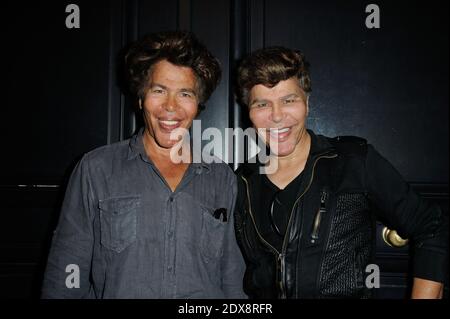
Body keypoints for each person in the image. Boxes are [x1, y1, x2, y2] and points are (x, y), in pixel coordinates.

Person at [42, 31, 246, 298]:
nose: (170, 107)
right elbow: (65, 274)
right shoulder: (96, 169)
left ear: (198, 105)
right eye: (159, 90)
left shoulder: (222, 178)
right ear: (140, 98)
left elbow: (232, 281)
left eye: (185, 94)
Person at [233, 46, 448, 299]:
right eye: (262, 104)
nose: (277, 116)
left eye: (288, 100)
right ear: (250, 112)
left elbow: (432, 226)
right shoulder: (242, 180)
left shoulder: (353, 162)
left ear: (307, 103)